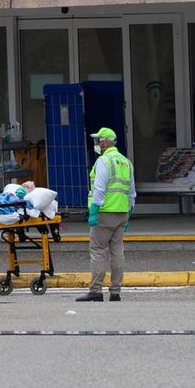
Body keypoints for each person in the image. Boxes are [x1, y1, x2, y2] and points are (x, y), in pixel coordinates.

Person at [76, 127, 135, 302]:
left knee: (99, 251)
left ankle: (95, 290)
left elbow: (100, 189)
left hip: (104, 213)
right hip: (121, 213)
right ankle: (115, 291)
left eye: (99, 140)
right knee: (117, 252)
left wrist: (93, 211)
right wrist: (129, 213)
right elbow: (131, 192)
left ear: (106, 141)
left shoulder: (104, 161)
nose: (97, 143)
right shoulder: (126, 162)